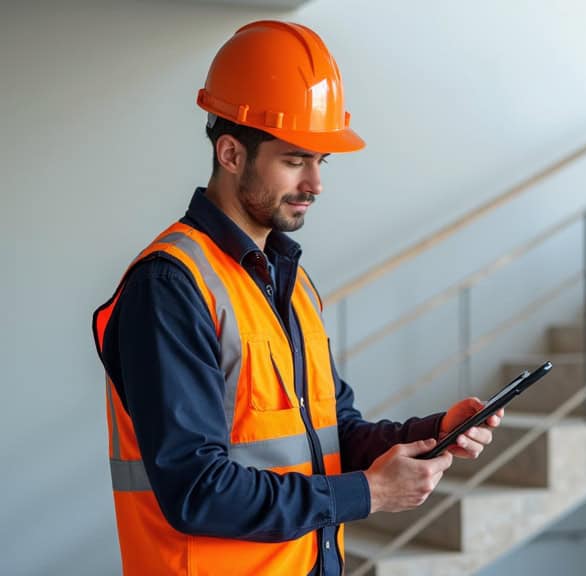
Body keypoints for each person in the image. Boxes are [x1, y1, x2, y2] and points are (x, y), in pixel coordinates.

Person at [92, 20, 502, 576]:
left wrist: (430, 433)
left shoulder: (289, 282)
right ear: (232, 153)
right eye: (294, 160)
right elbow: (196, 491)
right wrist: (368, 495)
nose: (316, 183)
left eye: (321, 161)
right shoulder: (171, 285)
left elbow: (334, 433)